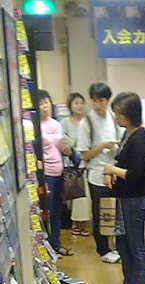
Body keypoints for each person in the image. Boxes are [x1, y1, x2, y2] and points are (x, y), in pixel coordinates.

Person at [103, 91, 145, 284]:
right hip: (124, 198)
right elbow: (121, 160)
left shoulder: (142, 139)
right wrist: (110, 171)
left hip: (137, 198)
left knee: (136, 245)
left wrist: (112, 170)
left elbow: (136, 175)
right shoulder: (128, 134)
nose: (116, 117)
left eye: (119, 113)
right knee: (123, 244)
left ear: (129, 114)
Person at [77, 82, 122, 264]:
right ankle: (103, 249)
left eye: (101, 100)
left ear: (108, 100)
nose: (97, 104)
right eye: (94, 100)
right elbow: (84, 153)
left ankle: (116, 246)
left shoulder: (113, 117)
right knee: (100, 211)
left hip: (115, 172)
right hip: (96, 172)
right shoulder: (86, 122)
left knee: (115, 211)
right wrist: (103, 145)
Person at [36, 89, 73, 257]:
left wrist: (66, 149)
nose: (45, 106)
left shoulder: (56, 124)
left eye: (46, 102)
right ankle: (48, 247)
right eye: (41, 103)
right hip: (46, 173)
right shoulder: (35, 126)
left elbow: (60, 146)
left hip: (59, 171)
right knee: (47, 211)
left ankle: (57, 244)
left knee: (58, 210)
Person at [61, 91, 91, 237]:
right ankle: (75, 222)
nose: (80, 106)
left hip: (85, 161)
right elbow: (62, 141)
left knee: (84, 194)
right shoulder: (64, 122)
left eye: (81, 103)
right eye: (76, 103)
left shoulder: (87, 121)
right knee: (74, 194)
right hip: (69, 162)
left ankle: (82, 223)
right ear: (70, 106)